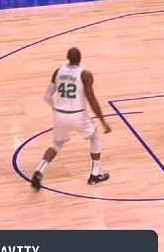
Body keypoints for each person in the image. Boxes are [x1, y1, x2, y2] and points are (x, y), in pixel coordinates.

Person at [31, 47, 112, 189]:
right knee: (94, 136)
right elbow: (92, 100)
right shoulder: (85, 74)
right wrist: (103, 121)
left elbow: (47, 96)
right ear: (80, 58)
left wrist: (55, 107)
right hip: (77, 115)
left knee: (56, 144)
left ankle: (39, 170)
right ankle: (95, 174)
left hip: (59, 115)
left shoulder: (58, 71)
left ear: (67, 58)